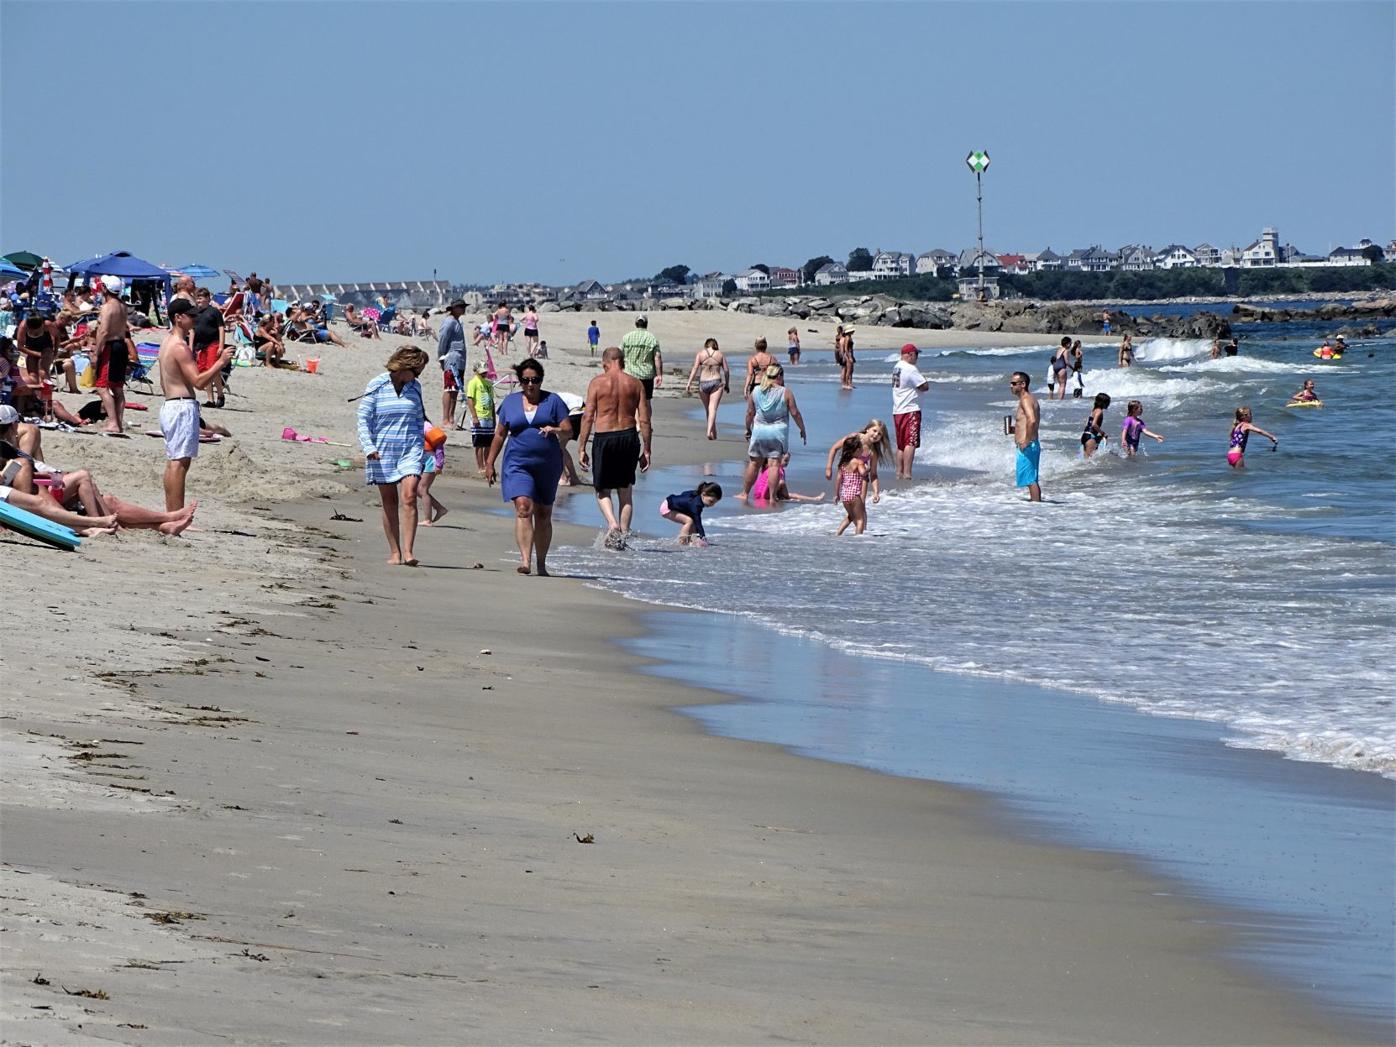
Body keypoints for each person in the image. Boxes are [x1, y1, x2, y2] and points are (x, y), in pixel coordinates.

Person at [1, 407, 196, 535]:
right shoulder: (8, 450)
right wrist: (52, 477)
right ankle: (103, 525)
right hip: (36, 492)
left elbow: (37, 466)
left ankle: (163, 524)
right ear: (12, 426)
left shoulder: (12, 447)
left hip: (43, 486)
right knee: (86, 481)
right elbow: (22, 476)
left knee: (110, 500)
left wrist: (53, 474)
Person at [484, 358, 571, 575]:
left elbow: (569, 430)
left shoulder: (554, 401)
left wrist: (555, 430)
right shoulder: (511, 403)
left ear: (541, 380)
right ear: (520, 381)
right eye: (526, 380)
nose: (530, 384)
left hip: (548, 465)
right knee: (524, 507)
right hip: (517, 463)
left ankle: (541, 564)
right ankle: (525, 561)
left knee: (543, 513)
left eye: (535, 380)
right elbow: (500, 434)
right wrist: (489, 462)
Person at [158, 299, 234, 511]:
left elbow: (163, 381)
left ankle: (171, 514)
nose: (195, 320)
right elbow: (199, 382)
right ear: (178, 317)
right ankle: (177, 515)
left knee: (174, 462)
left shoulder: (166, 342)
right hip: (181, 406)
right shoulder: (180, 347)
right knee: (179, 464)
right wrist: (220, 363)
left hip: (171, 405)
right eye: (191, 316)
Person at [357, 346, 430, 566]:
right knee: (389, 500)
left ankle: (408, 552)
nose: (417, 377)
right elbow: (363, 419)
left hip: (410, 449)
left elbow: (419, 420)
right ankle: (395, 551)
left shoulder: (415, 388)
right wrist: (368, 447)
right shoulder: (377, 384)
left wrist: (420, 448)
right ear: (403, 367)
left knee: (409, 496)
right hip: (381, 451)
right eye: (415, 371)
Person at [578, 346, 651, 549]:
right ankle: (624, 535)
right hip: (628, 436)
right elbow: (644, 419)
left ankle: (612, 523)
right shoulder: (635, 384)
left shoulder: (597, 383)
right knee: (625, 491)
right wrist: (647, 449)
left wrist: (582, 447)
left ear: (605, 364)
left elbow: (588, 416)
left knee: (602, 488)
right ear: (623, 362)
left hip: (604, 437)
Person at [741, 363, 806, 500]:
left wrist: (747, 428)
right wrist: (802, 429)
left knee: (754, 463)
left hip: (759, 431)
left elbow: (750, 413)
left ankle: (745, 493)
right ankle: (771, 497)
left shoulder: (756, 391)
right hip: (778, 433)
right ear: (779, 376)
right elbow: (795, 413)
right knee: (774, 465)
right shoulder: (785, 392)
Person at [91, 275, 134, 435]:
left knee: (102, 387)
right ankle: (118, 423)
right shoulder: (122, 305)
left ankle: (113, 422)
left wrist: (96, 352)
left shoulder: (108, 307)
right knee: (117, 388)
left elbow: (104, 331)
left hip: (111, 346)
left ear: (104, 288)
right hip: (121, 345)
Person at [824, 418, 890, 504]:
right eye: (874, 431)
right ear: (867, 429)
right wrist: (828, 468)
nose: (876, 435)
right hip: (848, 477)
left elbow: (873, 474)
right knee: (857, 513)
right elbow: (834, 448)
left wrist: (876, 492)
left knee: (860, 511)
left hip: (862, 480)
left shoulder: (873, 452)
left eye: (879, 434)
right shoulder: (854, 438)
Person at [891, 343, 929, 479]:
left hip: (898, 409)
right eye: (916, 355)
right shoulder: (910, 369)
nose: (917, 358)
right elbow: (924, 386)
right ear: (910, 355)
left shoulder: (897, 367)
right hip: (910, 409)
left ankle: (899, 472)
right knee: (910, 442)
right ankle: (907, 473)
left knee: (901, 444)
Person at [684, 337, 729, 440]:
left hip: (703, 383)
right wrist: (727, 384)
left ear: (706, 345)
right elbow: (726, 370)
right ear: (715, 345)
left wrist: (689, 383)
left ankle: (713, 432)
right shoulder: (720, 354)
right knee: (712, 408)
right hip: (716, 382)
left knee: (708, 409)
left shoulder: (700, 354)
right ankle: (710, 431)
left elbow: (695, 368)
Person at [1008, 371, 1041, 502]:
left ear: (1023, 384)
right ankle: (1036, 506)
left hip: (1028, 445)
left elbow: (1032, 420)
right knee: (1031, 479)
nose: (1011, 386)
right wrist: (1014, 430)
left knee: (1030, 480)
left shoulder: (1026, 399)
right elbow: (1026, 423)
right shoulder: (1027, 399)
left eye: (1014, 383)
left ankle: (1036, 507)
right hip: (1030, 444)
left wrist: (1026, 441)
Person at [192, 287, 227, 409]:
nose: (199, 301)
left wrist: (221, 346)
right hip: (200, 345)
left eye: (201, 298)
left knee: (213, 369)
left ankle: (220, 395)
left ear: (207, 298)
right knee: (205, 372)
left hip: (213, 343)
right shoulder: (195, 313)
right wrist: (192, 346)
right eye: (197, 298)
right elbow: (192, 330)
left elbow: (221, 328)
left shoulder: (214, 312)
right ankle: (210, 399)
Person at [659, 481, 722, 546]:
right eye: (711, 501)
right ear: (703, 494)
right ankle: (682, 542)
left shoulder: (697, 495)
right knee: (689, 521)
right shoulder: (696, 505)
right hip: (667, 508)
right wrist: (703, 536)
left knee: (692, 522)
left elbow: (684, 493)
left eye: (715, 503)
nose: (712, 505)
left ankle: (693, 541)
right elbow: (698, 522)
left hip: (672, 504)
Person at [437, 300, 468, 429]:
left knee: (456, 389)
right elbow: (443, 340)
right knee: (449, 389)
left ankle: (451, 417)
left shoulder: (457, 322)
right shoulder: (449, 322)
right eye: (461, 307)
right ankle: (445, 419)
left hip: (460, 360)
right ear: (454, 308)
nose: (463, 309)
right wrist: (441, 357)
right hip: (452, 358)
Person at [751, 454, 826, 504]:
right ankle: (787, 498)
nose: (787, 463)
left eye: (788, 461)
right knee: (782, 483)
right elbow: (768, 485)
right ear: (779, 459)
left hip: (764, 495)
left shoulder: (775, 469)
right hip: (763, 495)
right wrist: (772, 497)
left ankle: (814, 498)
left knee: (792, 494)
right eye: (786, 460)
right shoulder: (776, 471)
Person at [464, 360, 496, 475]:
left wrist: (494, 418)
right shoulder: (473, 382)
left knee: (488, 444)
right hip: (479, 416)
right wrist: (474, 416)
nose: (484, 374)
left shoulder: (488, 384)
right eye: (482, 372)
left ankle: (487, 465)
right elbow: (470, 399)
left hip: (488, 418)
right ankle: (480, 466)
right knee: (479, 444)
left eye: (485, 372)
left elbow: (492, 402)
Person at [834, 435, 870, 536]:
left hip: (845, 495)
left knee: (851, 516)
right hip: (854, 495)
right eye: (861, 449)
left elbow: (838, 480)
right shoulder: (859, 462)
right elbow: (863, 473)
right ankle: (858, 539)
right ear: (858, 449)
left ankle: (838, 533)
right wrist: (868, 469)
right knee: (860, 519)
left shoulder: (843, 464)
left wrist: (837, 495)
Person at [620, 314, 662, 400]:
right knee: (646, 401)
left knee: (630, 401)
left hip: (629, 374)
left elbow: (620, 354)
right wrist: (659, 375)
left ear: (636, 324)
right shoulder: (652, 338)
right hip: (646, 375)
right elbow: (657, 357)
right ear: (646, 324)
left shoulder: (627, 337)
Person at [418, 421, 448, 526]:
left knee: (422, 489)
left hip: (430, 461)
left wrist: (439, 464)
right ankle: (440, 508)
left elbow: (439, 445)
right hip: (421, 461)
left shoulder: (426, 425)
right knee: (417, 489)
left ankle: (428, 520)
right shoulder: (412, 424)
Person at [1081, 392, 1111, 459]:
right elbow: (1094, 424)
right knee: (1089, 461)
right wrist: (1102, 432)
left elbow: (1087, 423)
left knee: (1086, 459)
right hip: (1090, 436)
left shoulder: (1094, 410)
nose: (1109, 404)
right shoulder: (1099, 411)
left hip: (1085, 435)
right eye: (1108, 402)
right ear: (1103, 403)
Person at [838, 326, 856, 390]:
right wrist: (849, 356)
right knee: (848, 370)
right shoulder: (847, 338)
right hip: (848, 354)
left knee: (851, 370)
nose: (854, 331)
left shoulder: (849, 337)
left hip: (850, 354)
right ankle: (846, 384)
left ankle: (849, 383)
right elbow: (846, 348)